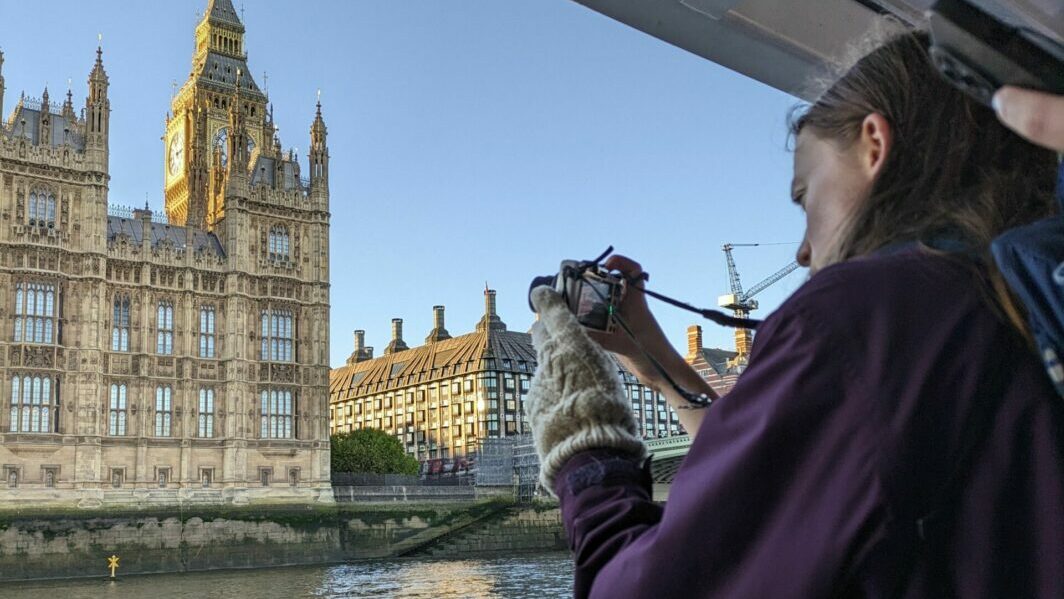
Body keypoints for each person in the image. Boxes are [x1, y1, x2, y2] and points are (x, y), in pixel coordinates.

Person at [525, 30, 1064, 598]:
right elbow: (787, 480)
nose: (802, 251)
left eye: (804, 195)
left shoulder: (861, 317)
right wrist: (654, 363)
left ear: (874, 146)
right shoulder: (1014, 298)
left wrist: (584, 444)